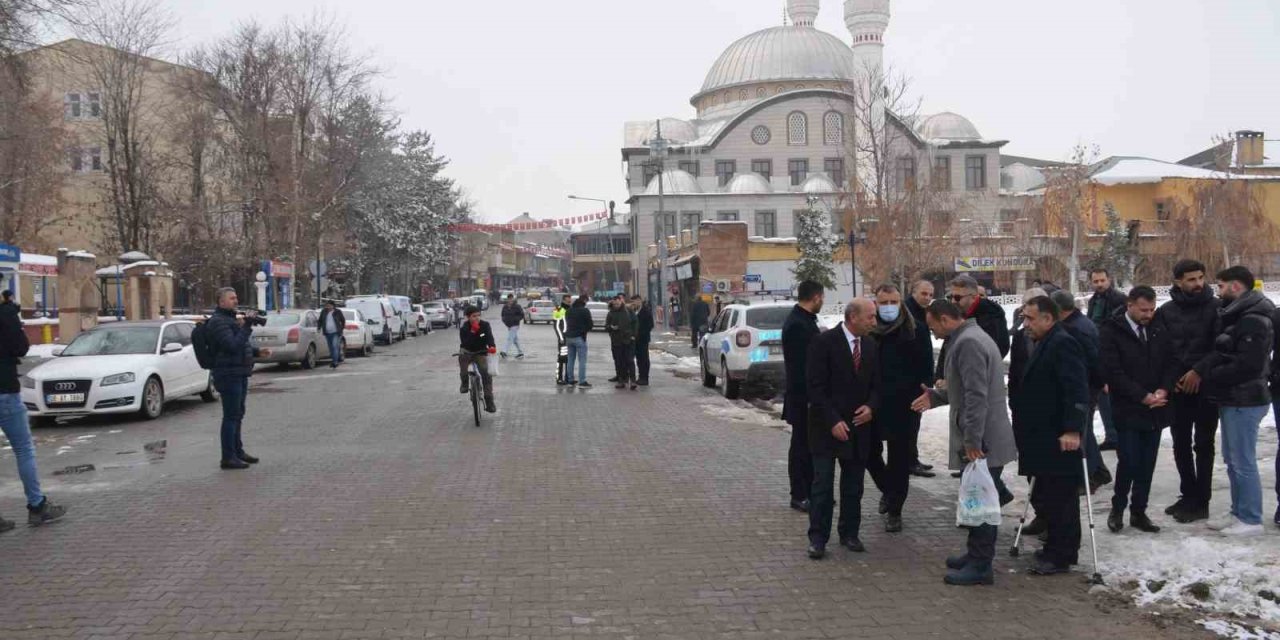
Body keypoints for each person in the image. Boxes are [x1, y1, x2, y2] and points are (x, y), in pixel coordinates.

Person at [910, 299, 1017, 586]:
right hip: (982, 435)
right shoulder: (970, 336)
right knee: (975, 496)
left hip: (982, 439)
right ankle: (974, 555)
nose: (933, 334)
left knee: (980, 501)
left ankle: (981, 565)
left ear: (945, 319)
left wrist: (972, 440)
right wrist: (935, 396)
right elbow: (962, 389)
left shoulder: (968, 342)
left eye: (933, 327)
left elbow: (976, 395)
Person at [1013, 296, 1090, 576]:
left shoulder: (1063, 342)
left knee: (1061, 497)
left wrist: (1072, 429)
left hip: (1059, 435)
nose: (1026, 324)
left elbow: (1076, 389)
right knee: (1048, 493)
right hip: (1041, 435)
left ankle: (1063, 554)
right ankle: (1054, 547)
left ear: (1048, 318)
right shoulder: (1044, 341)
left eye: (1030, 318)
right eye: (1024, 318)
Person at [1200, 266, 1274, 536]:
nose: (1217, 292)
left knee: (1243, 461)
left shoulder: (1254, 317)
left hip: (1246, 398)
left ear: (1235, 287)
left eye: (1220, 286)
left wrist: (1213, 374)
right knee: (1232, 459)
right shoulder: (1237, 313)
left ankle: (1251, 518)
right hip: (1233, 397)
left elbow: (1250, 364)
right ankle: (1238, 510)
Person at [804, 299, 880, 560]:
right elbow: (815, 387)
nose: (874, 322)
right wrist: (832, 420)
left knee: (853, 486)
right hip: (827, 427)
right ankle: (818, 538)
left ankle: (849, 532)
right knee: (822, 486)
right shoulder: (824, 343)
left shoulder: (870, 345)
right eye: (870, 317)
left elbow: (878, 385)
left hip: (859, 428)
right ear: (852, 317)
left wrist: (871, 406)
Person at [1100, 285, 1173, 534]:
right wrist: (1142, 396)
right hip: (1128, 407)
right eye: (1143, 310)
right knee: (1129, 461)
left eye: (1152, 309)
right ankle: (1117, 509)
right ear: (1130, 305)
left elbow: (1169, 362)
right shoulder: (1112, 330)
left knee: (1147, 464)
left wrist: (1164, 389)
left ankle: (1139, 512)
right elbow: (1113, 371)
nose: (1148, 314)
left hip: (1156, 408)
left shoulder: (1158, 327)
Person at [1153, 259, 1221, 523]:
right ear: (1178, 282)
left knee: (1204, 445)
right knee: (1180, 443)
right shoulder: (1166, 311)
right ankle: (1188, 494)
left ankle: (1201, 500)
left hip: (1206, 387)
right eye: (1191, 279)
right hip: (1178, 389)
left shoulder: (1217, 308)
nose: (1198, 284)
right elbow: (1162, 351)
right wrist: (1174, 380)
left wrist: (1198, 372)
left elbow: (1221, 346)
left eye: (1201, 278)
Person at [866, 284, 933, 533]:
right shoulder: (870, 331)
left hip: (905, 405)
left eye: (893, 302)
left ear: (901, 303)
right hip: (873, 404)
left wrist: (923, 396)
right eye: (883, 302)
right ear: (876, 303)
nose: (889, 307)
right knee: (868, 452)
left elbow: (926, 369)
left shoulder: (916, 330)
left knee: (899, 459)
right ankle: (888, 489)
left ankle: (895, 510)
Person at [0, 296, 66, 531]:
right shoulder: (4, 313)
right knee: (23, 449)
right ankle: (37, 507)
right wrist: (10, 313)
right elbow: (20, 347)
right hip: (4, 391)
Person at [1050, 289, 1112, 493]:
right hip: (1087, 385)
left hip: (1085, 387)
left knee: (1082, 431)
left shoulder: (1076, 328)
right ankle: (1099, 471)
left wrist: (1096, 384)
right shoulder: (1077, 323)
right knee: (1085, 430)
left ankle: (1091, 476)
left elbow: (1093, 359)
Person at [206, 287, 269, 470]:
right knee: (231, 416)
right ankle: (228, 457)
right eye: (232, 298)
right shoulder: (218, 322)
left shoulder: (230, 319)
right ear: (221, 302)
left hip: (239, 372)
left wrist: (257, 351)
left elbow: (240, 345)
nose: (235, 301)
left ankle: (237, 451)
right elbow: (232, 346)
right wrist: (247, 326)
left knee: (238, 414)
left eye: (236, 297)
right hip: (228, 374)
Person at [782, 280, 824, 513]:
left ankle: (810, 491)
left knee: (809, 446)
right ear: (816, 297)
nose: (822, 302)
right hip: (802, 397)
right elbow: (803, 367)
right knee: (801, 447)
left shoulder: (804, 320)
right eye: (822, 298)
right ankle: (799, 494)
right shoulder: (799, 324)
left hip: (806, 396)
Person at [1087, 268, 1127, 450]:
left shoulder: (1118, 299)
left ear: (1109, 280)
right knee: (1103, 398)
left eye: (1102, 280)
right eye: (1096, 281)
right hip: (1097, 351)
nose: (1099, 284)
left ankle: (1118, 435)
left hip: (1112, 352)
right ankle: (1112, 435)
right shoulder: (1093, 300)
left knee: (1112, 396)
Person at [904, 280, 937, 477]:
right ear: (914, 292)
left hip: (919, 379)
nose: (927, 298)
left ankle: (912, 458)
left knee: (914, 422)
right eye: (924, 294)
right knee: (910, 422)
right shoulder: (908, 313)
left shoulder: (923, 313)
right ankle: (909, 460)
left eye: (930, 294)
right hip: (911, 380)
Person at [458, 305, 497, 413]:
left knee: (485, 373)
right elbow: (465, 343)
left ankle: (489, 401)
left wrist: (492, 346)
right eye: (474, 316)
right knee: (463, 365)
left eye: (478, 315)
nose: (477, 318)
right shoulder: (464, 328)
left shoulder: (485, 325)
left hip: (480, 352)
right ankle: (464, 383)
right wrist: (472, 332)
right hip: (467, 351)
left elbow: (489, 337)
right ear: (468, 317)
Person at [606, 296, 637, 390]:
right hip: (616, 341)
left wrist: (633, 335)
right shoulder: (611, 313)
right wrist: (611, 327)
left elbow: (635, 323)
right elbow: (606, 326)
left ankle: (633, 380)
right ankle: (621, 380)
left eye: (618, 304)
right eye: (615, 304)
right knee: (619, 361)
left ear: (621, 302)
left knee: (630, 361)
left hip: (628, 340)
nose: (616, 305)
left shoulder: (628, 311)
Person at [564, 295, 593, 387]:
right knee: (582, 360)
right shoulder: (585, 311)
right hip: (579, 337)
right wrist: (584, 331)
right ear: (584, 301)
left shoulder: (569, 310)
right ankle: (582, 381)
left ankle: (570, 380)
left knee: (570, 359)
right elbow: (590, 324)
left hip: (568, 337)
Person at [318, 300, 346, 369]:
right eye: (327, 305)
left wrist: (341, 328)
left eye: (329, 305)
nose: (328, 307)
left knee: (334, 346)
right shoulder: (324, 312)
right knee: (331, 348)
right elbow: (320, 320)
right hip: (327, 333)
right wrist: (319, 327)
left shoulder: (337, 312)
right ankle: (334, 361)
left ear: (333, 305)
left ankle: (335, 362)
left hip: (335, 332)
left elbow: (343, 320)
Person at [633, 295, 653, 386]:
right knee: (639, 358)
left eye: (635, 301)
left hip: (643, 339)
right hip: (636, 339)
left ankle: (645, 378)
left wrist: (642, 333)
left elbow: (650, 325)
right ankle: (641, 376)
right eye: (633, 302)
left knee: (644, 358)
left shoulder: (646, 311)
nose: (634, 303)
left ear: (639, 301)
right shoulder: (635, 311)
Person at [499, 295, 525, 359]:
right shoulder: (505, 307)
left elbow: (522, 315)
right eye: (509, 299)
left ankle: (504, 351)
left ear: (513, 299)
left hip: (515, 325)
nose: (510, 300)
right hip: (509, 325)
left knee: (510, 339)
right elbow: (502, 315)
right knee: (515, 340)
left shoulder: (517, 306)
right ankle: (520, 352)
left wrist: (516, 319)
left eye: (511, 299)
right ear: (507, 299)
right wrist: (505, 322)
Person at [553, 294, 571, 385]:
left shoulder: (570, 309)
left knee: (569, 358)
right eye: (567, 301)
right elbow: (556, 326)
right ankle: (559, 378)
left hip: (570, 338)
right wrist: (561, 337)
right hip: (563, 339)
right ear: (563, 300)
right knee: (561, 358)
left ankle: (568, 377)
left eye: (570, 301)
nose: (569, 302)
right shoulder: (558, 309)